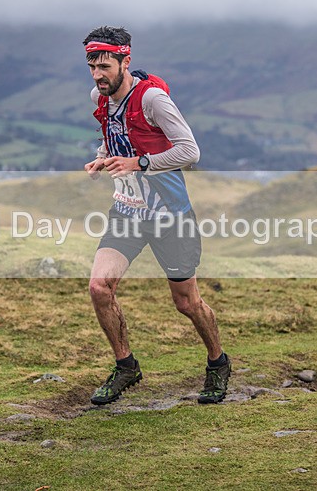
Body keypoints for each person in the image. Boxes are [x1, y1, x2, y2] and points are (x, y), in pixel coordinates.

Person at [82, 25, 231, 405]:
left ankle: (218, 363)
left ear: (125, 61)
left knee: (187, 303)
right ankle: (126, 366)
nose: (98, 74)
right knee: (100, 288)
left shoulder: (152, 100)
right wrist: (102, 158)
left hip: (170, 216)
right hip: (127, 213)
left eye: (105, 66)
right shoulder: (101, 99)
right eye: (91, 65)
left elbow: (190, 151)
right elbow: (116, 136)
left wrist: (139, 163)